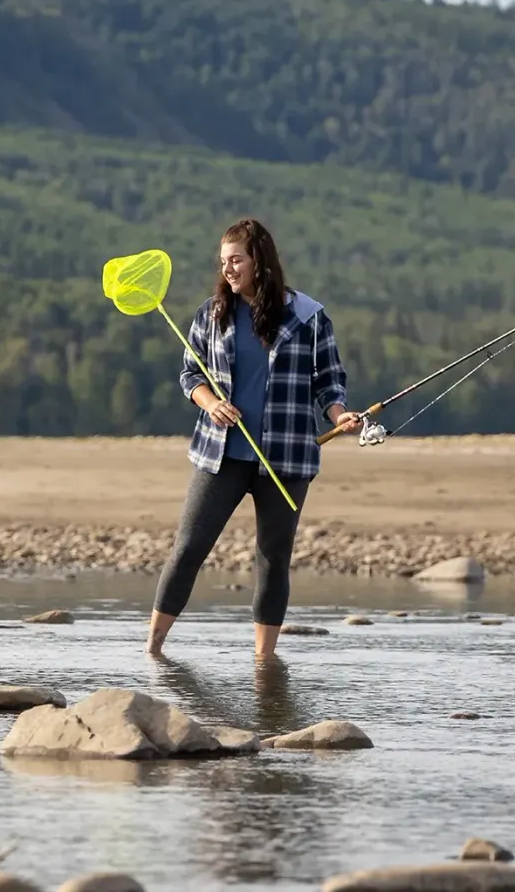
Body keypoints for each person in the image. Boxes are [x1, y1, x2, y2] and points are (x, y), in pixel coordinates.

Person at [148, 218, 361, 659]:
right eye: (222, 261)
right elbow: (190, 374)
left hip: (285, 457)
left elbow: (330, 381)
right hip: (220, 455)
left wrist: (341, 415)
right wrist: (211, 403)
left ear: (260, 261)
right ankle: (153, 650)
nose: (227, 269)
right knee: (188, 547)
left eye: (236, 259)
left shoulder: (308, 317)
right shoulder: (211, 313)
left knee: (273, 559)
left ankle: (264, 661)